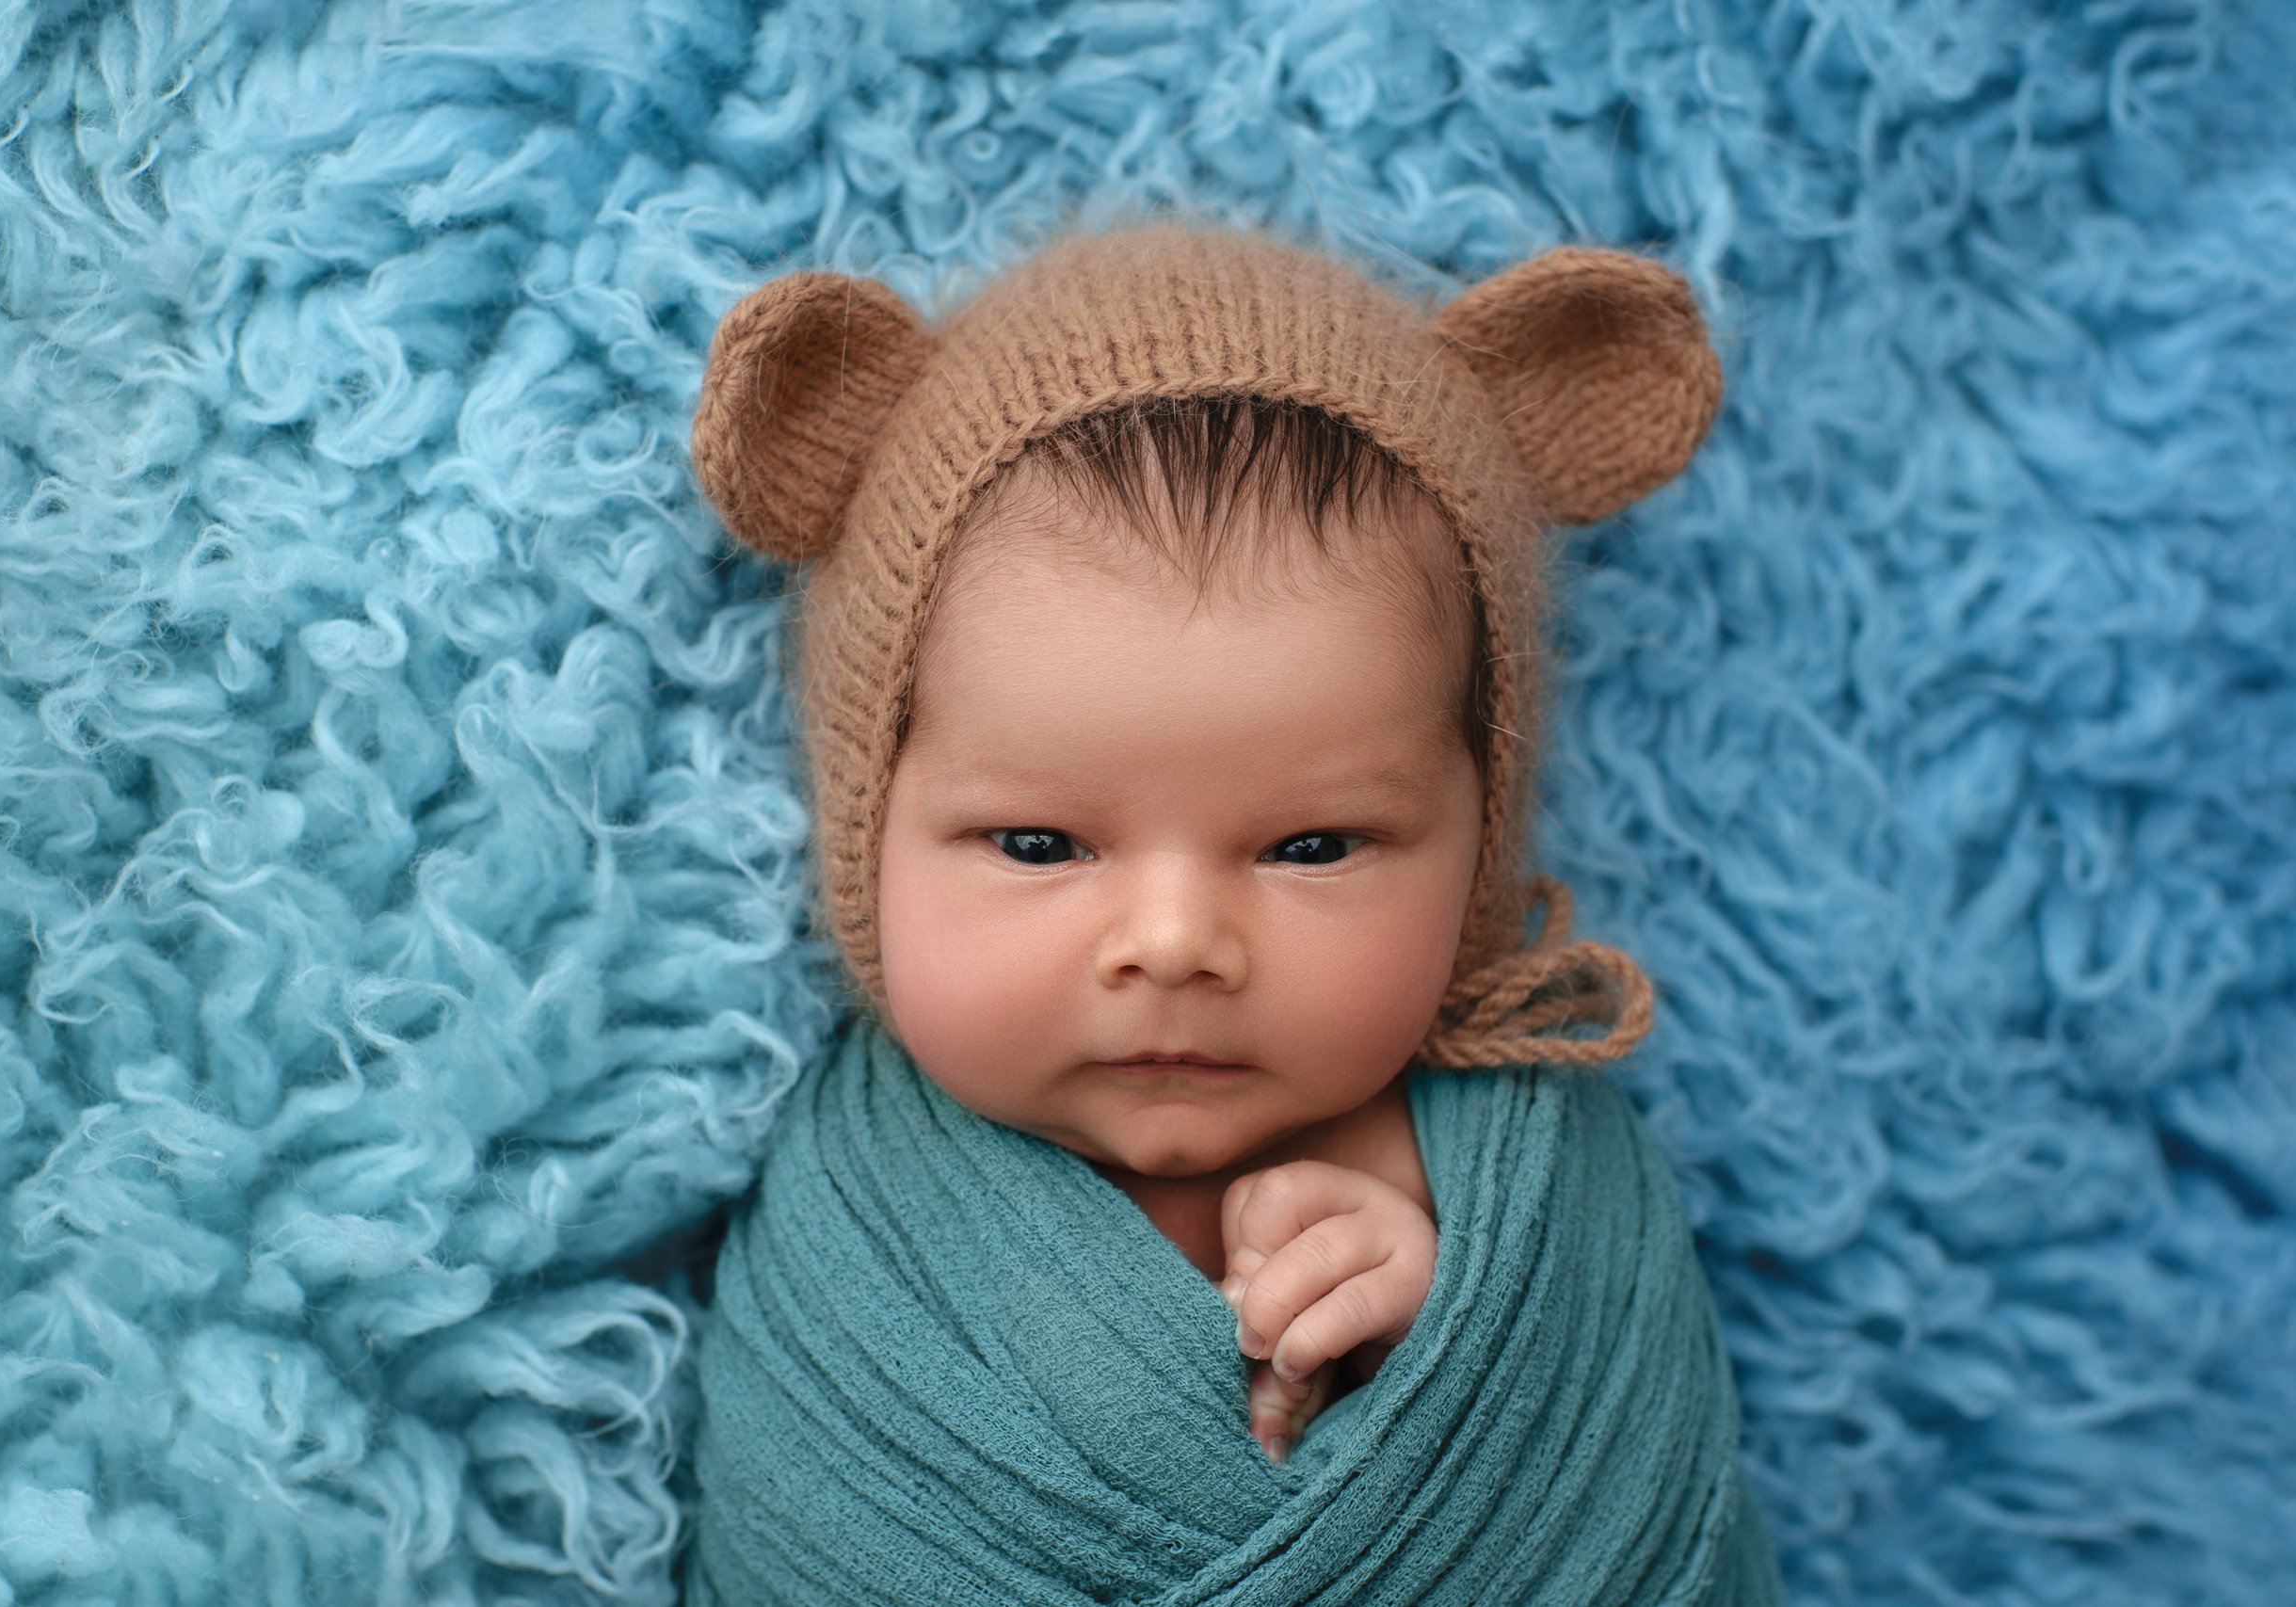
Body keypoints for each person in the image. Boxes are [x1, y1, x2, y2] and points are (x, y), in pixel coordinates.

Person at [685, 223, 1779, 1604]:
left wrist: (1441, 1350)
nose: (1176, 942)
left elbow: (1617, 1490)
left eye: (1314, 845)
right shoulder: (857, 1240)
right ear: (869, 835)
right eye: (1037, 842)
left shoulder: (1533, 1197)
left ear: (1481, 841)